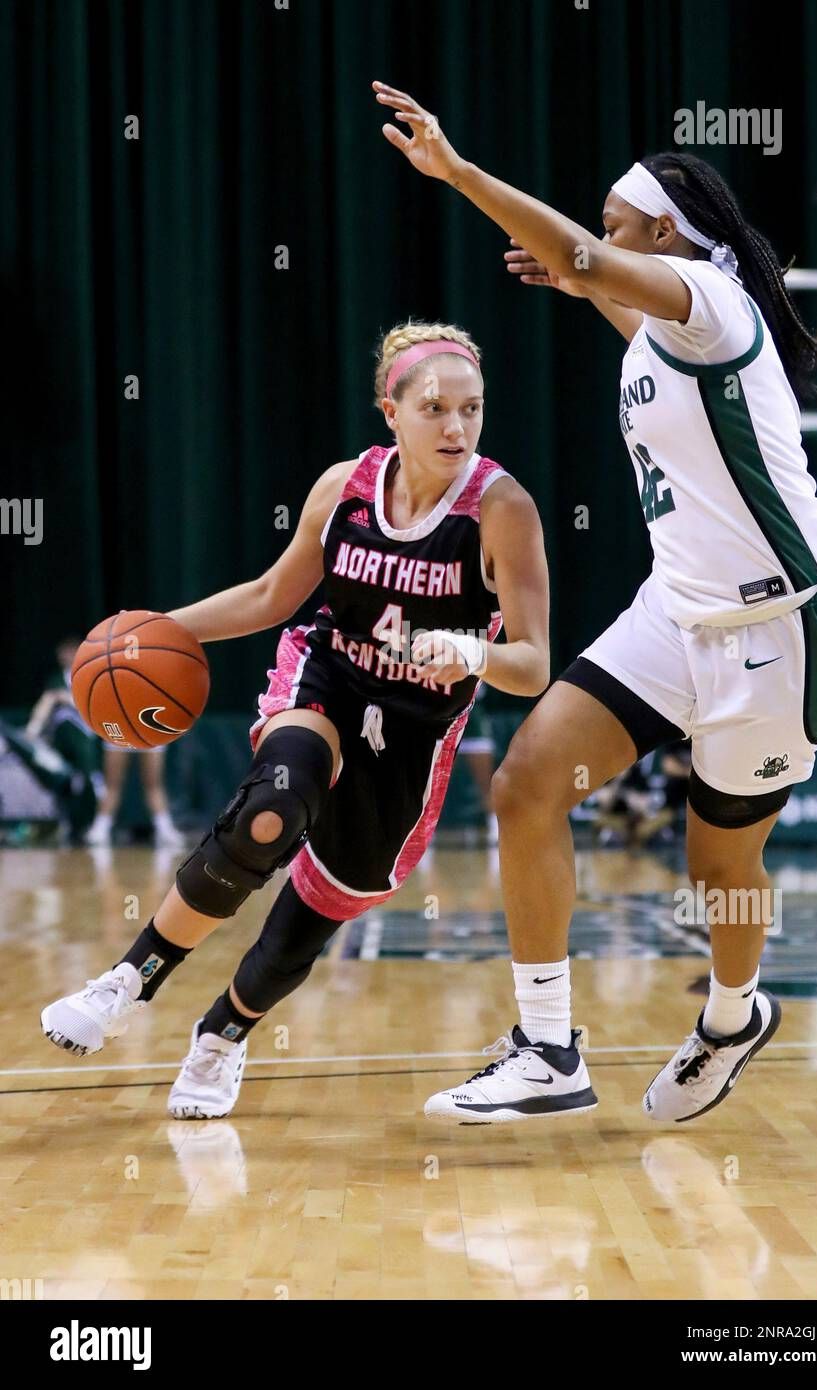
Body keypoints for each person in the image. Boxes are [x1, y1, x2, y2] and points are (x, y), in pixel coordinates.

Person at [373, 80, 817, 1123]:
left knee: (717, 861)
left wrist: (460, 175)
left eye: (613, 223)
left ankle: (732, 1016)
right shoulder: (658, 333)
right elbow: (596, 280)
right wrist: (573, 279)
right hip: (672, 614)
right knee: (523, 785)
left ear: (665, 234)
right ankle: (547, 1047)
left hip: (776, 629)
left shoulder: (714, 304)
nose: (595, 236)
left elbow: (591, 262)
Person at [40, 320, 552, 1119]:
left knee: (310, 918)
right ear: (391, 409)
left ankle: (220, 1040)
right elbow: (270, 597)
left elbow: (534, 661)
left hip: (414, 734)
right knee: (272, 811)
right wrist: (150, 632)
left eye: (472, 409)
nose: (456, 427)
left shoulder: (502, 507)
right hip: (330, 679)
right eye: (434, 408)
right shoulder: (345, 487)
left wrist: (470, 650)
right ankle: (127, 982)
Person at [27, 637, 185, 848]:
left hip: (149, 726)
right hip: (120, 726)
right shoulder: (103, 671)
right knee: (112, 784)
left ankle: (165, 829)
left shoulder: (154, 669)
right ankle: (100, 828)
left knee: (154, 784)